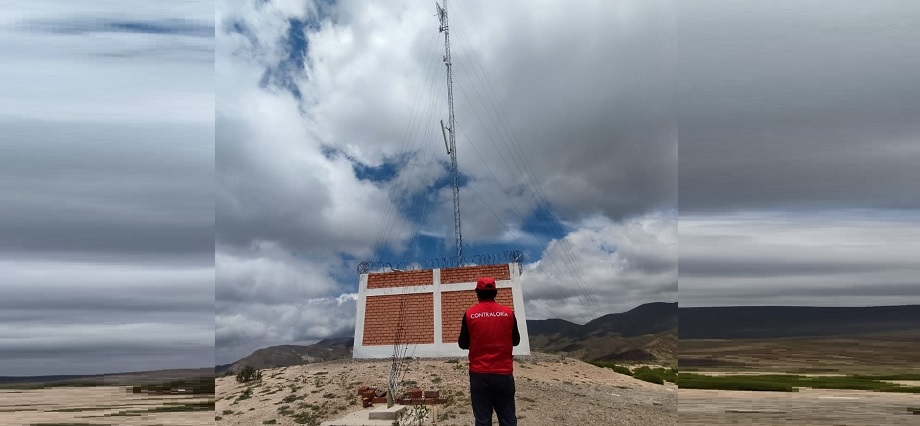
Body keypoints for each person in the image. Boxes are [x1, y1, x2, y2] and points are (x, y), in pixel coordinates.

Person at [458, 276, 521, 426]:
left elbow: (463, 343)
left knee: (482, 420)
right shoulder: (508, 313)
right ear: (495, 293)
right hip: (504, 374)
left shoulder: (470, 314)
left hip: (479, 375)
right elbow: (516, 341)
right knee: (508, 419)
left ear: (477, 293)